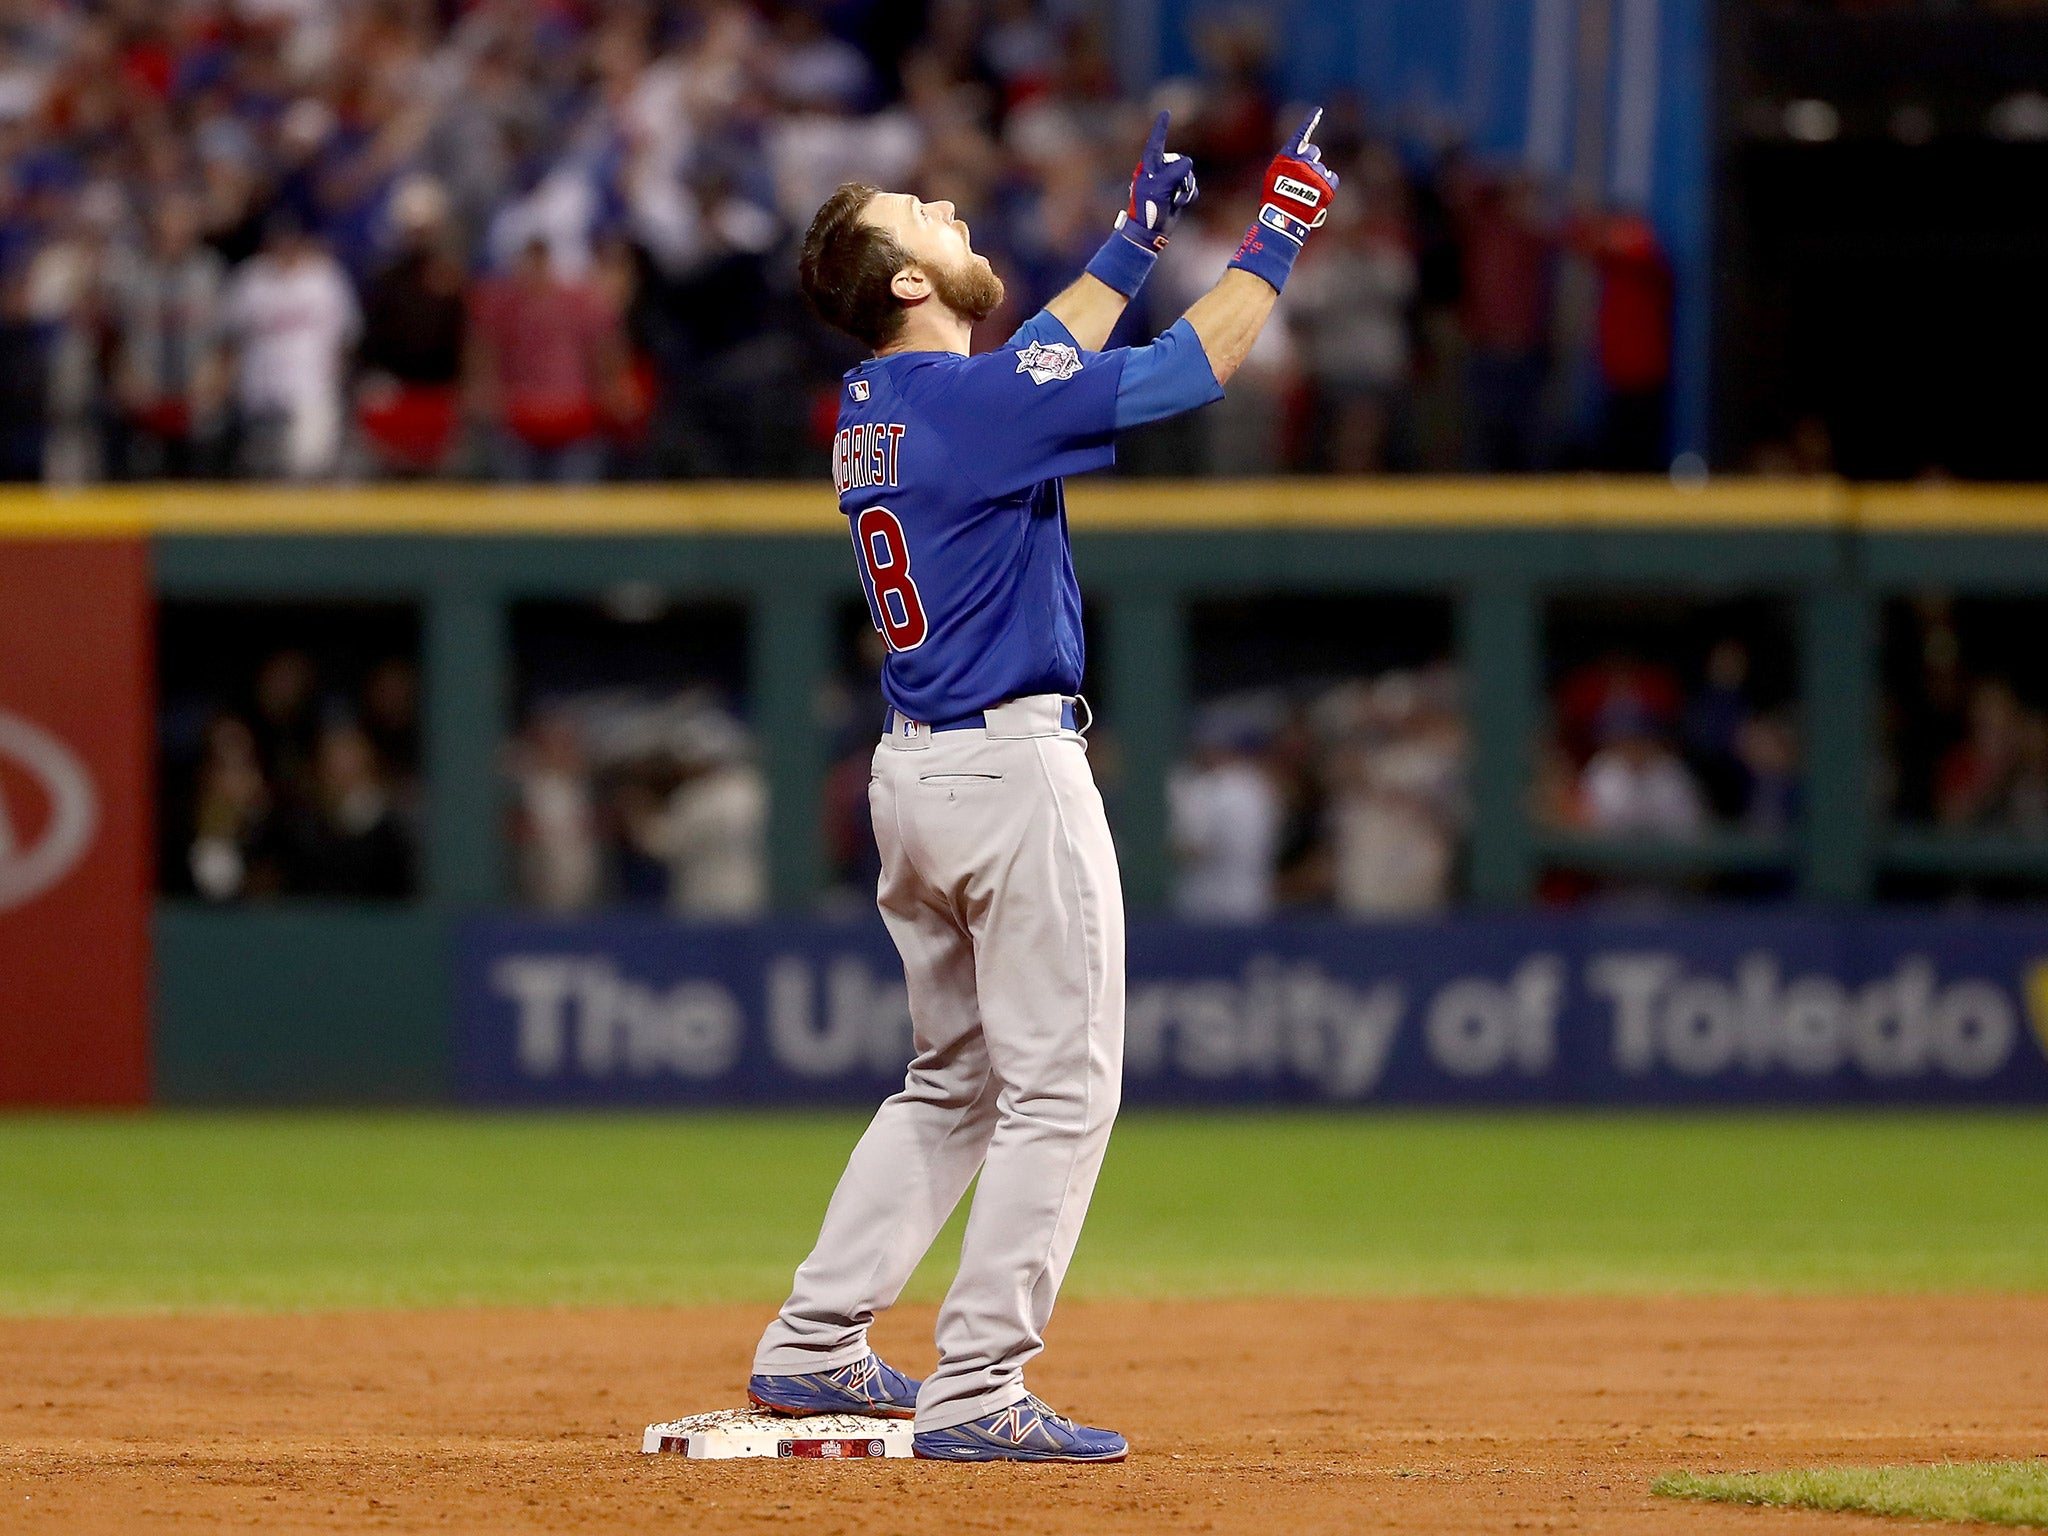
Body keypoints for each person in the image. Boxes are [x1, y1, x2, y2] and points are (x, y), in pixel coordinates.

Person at [748, 109, 1338, 1463]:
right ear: (906, 285)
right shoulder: (965, 402)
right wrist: (1281, 229)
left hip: (917, 779)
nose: (952, 219)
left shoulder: (885, 406)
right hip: (1010, 772)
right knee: (1062, 1091)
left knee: (955, 1080)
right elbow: (1192, 372)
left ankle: (817, 1342)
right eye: (925, 220)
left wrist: (1131, 243)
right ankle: (976, 1390)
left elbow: (1034, 366)